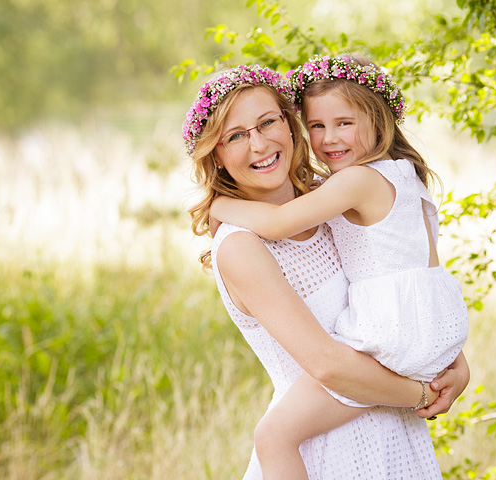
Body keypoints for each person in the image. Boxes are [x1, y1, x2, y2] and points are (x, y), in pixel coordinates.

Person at [184, 64, 470, 480]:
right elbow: (328, 365)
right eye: (236, 135)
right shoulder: (242, 245)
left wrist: (455, 365)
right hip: (323, 452)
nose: (259, 144)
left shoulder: (334, 200)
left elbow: (401, 285)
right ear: (217, 155)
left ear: (290, 124)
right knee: (272, 436)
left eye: (267, 122)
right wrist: (423, 390)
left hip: (397, 440)